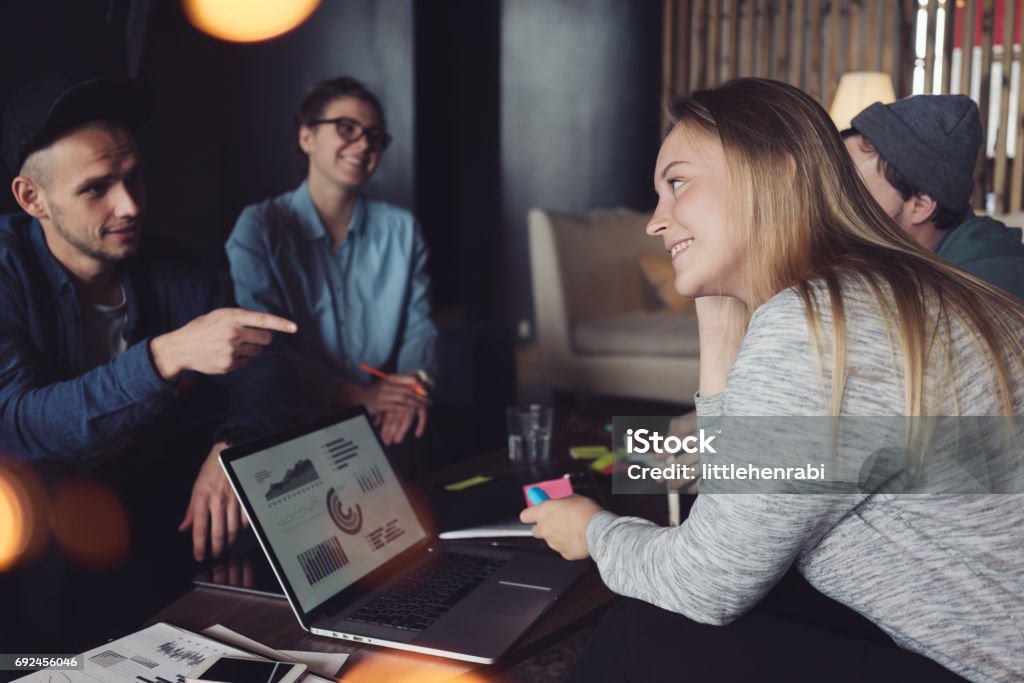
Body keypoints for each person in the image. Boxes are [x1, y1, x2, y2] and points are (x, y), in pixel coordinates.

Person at [522, 78, 1023, 682]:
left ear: (777, 175)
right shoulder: (902, 288)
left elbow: (705, 580)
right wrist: (717, 321)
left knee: (649, 629)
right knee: (696, 520)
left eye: (676, 183)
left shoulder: (823, 319)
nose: (655, 222)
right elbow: (742, 489)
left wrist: (593, 531)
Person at [0, 74, 296, 647]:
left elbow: (267, 364)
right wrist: (166, 356)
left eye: (133, 176)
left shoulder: (172, 266)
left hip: (147, 521)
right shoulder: (6, 272)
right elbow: (18, 426)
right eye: (97, 188)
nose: (130, 205)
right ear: (32, 198)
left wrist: (232, 447)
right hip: (35, 540)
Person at [227, 76, 437, 449]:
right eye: (347, 128)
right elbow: (267, 349)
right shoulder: (259, 228)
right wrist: (358, 395)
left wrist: (410, 389)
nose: (363, 144)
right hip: (290, 428)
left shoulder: (402, 229)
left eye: (374, 136)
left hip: (384, 426)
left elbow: (418, 330)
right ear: (306, 137)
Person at [843, 94, 1024, 299]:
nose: (836, 201)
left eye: (855, 190)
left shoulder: (975, 291)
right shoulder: (899, 256)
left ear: (920, 206)